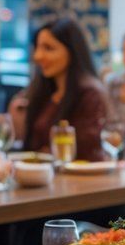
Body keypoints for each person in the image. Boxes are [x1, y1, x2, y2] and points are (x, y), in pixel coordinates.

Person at [10, 17, 110, 161]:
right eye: (37, 47)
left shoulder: (90, 93)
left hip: (82, 180)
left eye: (48, 48)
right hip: (43, 178)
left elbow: (84, 151)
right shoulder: (41, 90)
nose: (38, 56)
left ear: (72, 51)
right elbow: (29, 144)